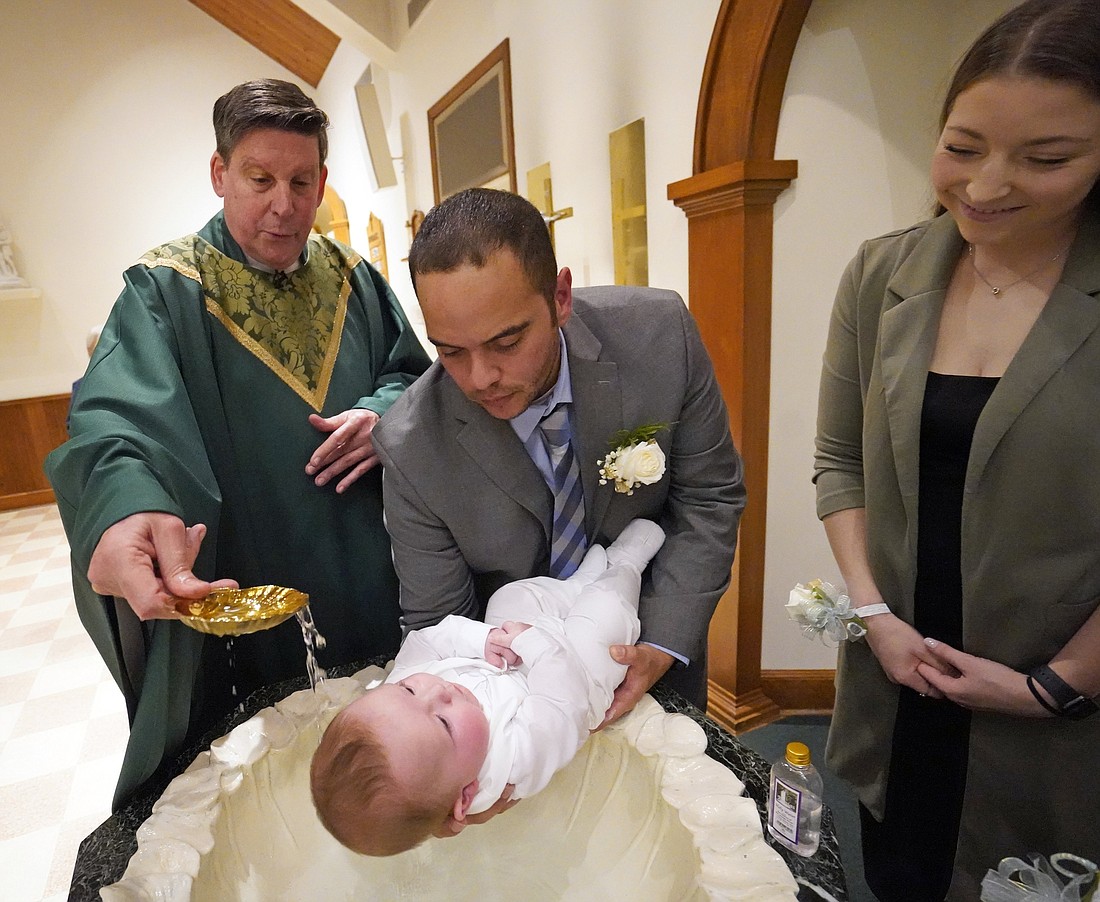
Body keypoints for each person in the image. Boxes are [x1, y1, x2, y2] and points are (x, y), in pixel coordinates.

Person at [44, 79, 431, 808]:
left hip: (372, 570)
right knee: (268, 787)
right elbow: (114, 417)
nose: (283, 205)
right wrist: (126, 508)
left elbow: (413, 374)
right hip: (243, 573)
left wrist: (386, 416)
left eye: (300, 181)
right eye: (260, 179)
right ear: (220, 174)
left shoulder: (355, 278)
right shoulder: (165, 290)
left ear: (321, 182)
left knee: (382, 762)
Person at [813, 2, 1100, 898]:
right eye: (963, 147)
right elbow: (840, 461)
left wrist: (1054, 685)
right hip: (897, 683)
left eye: (1046, 159)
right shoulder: (882, 271)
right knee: (898, 869)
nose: (985, 186)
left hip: (1056, 708)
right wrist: (876, 617)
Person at [371, 187, 745, 725]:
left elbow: (709, 496)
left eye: (506, 342)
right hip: (506, 690)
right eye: (450, 351)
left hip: (653, 641)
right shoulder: (412, 446)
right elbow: (441, 625)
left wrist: (662, 644)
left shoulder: (660, 337)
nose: (481, 379)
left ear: (560, 298)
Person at [310, 519, 665, 856]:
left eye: (408, 691)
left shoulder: (398, 710)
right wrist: (534, 646)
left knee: (509, 599)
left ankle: (577, 584)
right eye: (444, 723)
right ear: (465, 797)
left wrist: (484, 640)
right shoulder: (513, 762)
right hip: (580, 675)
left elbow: (425, 643)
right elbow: (562, 702)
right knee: (598, 622)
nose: (439, 691)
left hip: (513, 647)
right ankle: (624, 566)